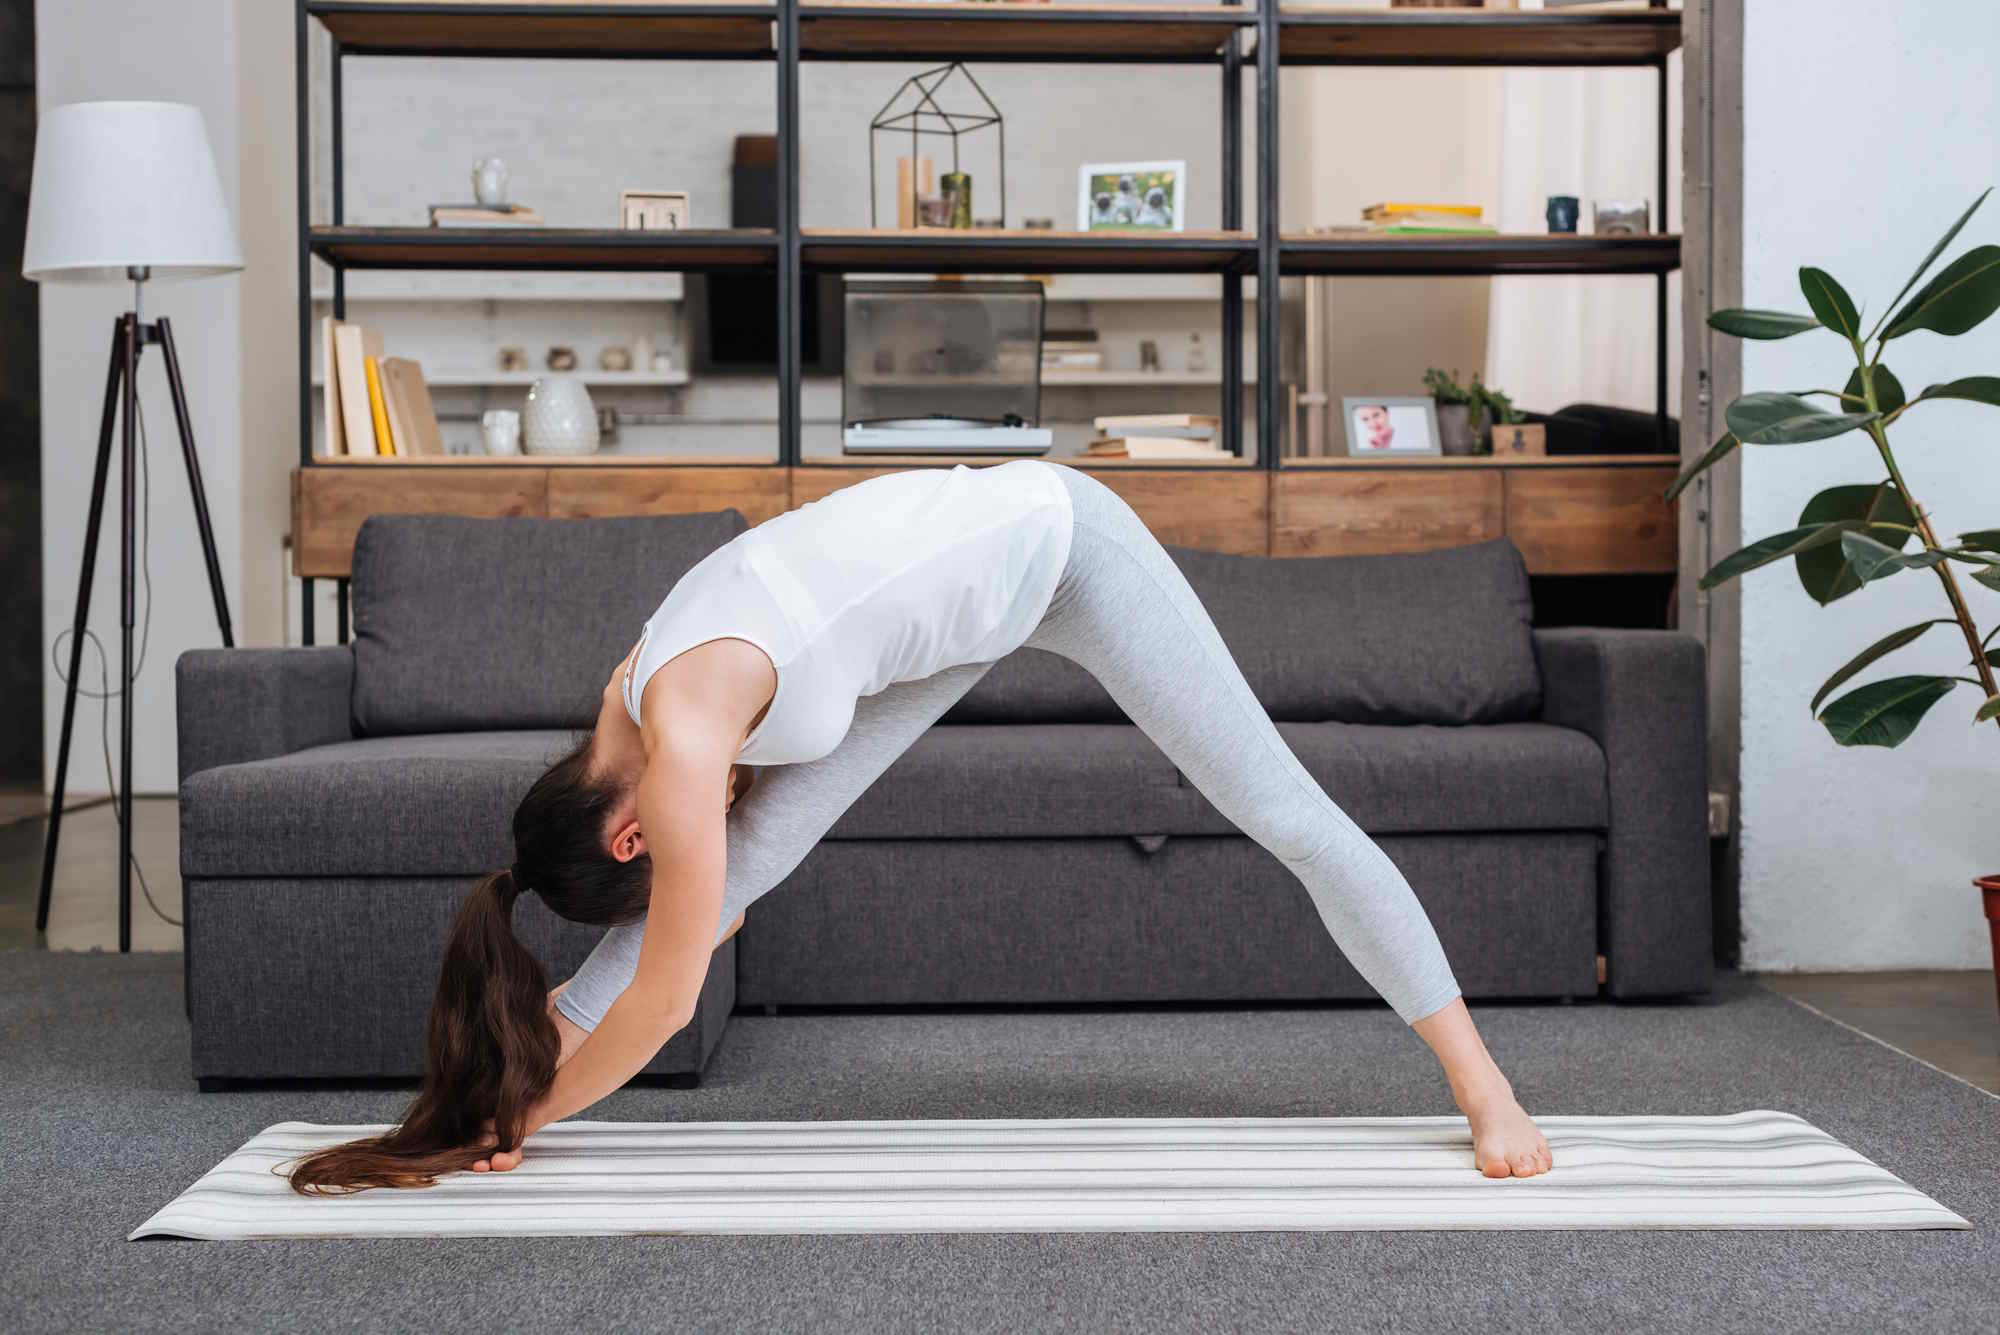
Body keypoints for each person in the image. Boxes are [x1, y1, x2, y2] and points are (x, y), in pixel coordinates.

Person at [288, 462, 1552, 1194]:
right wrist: (489, 1115)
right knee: (744, 873)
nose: (692, 838)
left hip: (1060, 547)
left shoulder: (674, 754)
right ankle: (502, 1086)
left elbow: (665, 1002)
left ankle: (1480, 1084)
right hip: (925, 637)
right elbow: (694, 918)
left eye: (665, 855)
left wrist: (531, 1125)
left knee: (1279, 808)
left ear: (627, 837)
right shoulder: (621, 711)